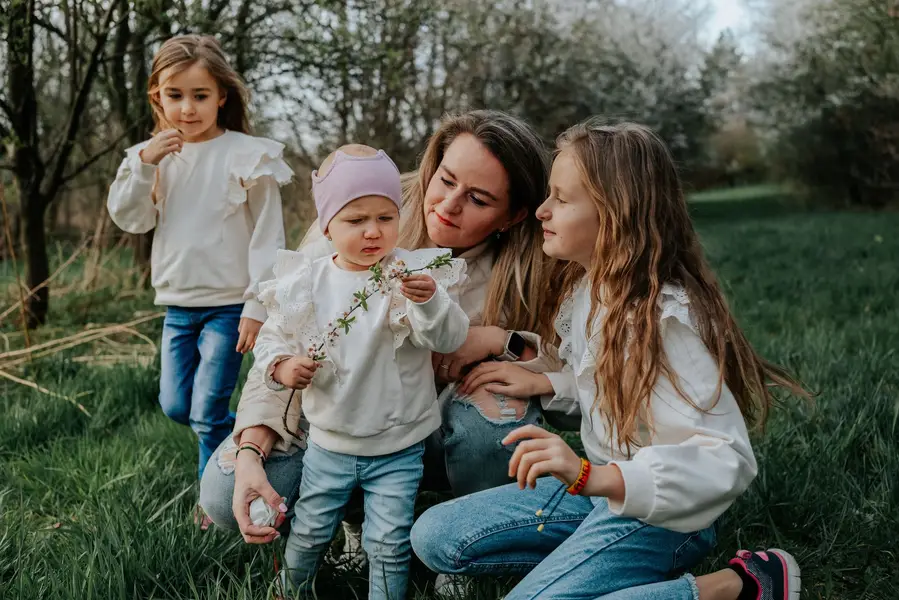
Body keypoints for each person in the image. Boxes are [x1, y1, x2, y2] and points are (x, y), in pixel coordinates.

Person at [410, 120, 808, 600]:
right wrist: (547, 385)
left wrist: (591, 476)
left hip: (662, 519)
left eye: (560, 198)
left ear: (615, 214)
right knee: (434, 536)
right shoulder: (591, 290)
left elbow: (726, 459)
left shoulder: (665, 319)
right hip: (598, 498)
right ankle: (589, 567)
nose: (541, 210)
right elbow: (613, 391)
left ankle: (738, 586)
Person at [198, 111, 574, 564]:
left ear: (512, 216)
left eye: (477, 198)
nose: (448, 205)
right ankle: (355, 516)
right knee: (222, 493)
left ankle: (464, 541)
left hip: (429, 426)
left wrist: (500, 339)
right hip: (336, 423)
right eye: (446, 179)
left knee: (495, 405)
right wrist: (251, 448)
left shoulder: (531, 264)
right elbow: (285, 342)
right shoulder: (356, 215)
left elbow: (574, 369)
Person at [249, 143, 469, 598]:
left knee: (388, 541)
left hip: (399, 445)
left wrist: (429, 301)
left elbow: (446, 339)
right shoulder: (307, 283)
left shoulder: (410, 275)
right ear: (327, 225)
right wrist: (283, 364)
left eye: (385, 218)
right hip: (329, 443)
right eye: (355, 220)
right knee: (310, 529)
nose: (373, 232)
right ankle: (291, 590)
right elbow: (272, 337)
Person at [106, 35, 291, 523]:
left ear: (222, 96)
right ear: (157, 97)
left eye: (200, 95)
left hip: (230, 304)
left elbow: (268, 236)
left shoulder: (249, 155)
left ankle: (213, 496)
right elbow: (132, 220)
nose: (187, 108)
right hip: (177, 304)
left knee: (207, 409)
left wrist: (257, 303)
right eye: (175, 95)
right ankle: (245, 439)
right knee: (174, 405)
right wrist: (145, 165)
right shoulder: (148, 157)